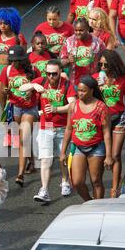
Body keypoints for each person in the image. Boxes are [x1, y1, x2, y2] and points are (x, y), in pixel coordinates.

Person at [60, 76, 113, 201]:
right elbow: (68, 128)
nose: (80, 93)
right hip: (78, 148)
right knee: (77, 182)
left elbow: (106, 132)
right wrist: (63, 152)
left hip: (96, 148)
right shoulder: (73, 106)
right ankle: (90, 203)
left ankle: (98, 207)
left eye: (83, 91)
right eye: (78, 90)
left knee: (96, 181)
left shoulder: (101, 107)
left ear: (92, 90)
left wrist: (109, 156)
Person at [32, 60, 76, 202]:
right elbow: (22, 88)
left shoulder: (66, 84)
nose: (51, 77)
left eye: (54, 74)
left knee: (62, 158)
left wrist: (56, 109)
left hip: (63, 127)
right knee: (45, 159)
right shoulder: (42, 81)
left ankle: (65, 182)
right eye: (48, 73)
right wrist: (33, 85)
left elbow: (73, 105)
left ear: (60, 72)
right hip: (46, 127)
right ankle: (44, 190)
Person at [0, 45, 40, 186]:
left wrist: (33, 91)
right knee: (24, 139)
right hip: (15, 108)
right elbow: (3, 89)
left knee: (23, 139)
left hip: (30, 108)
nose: (14, 63)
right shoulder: (7, 70)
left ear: (23, 59)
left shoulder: (34, 70)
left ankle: (20, 174)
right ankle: (32, 163)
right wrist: (7, 92)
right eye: (12, 60)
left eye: (17, 60)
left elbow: (41, 86)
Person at [93, 50, 125, 197]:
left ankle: (115, 188)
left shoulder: (123, 79)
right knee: (103, 154)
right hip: (102, 119)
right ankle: (98, 185)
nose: (103, 67)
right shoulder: (95, 78)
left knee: (115, 155)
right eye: (101, 64)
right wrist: (97, 87)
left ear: (113, 64)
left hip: (119, 117)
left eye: (106, 64)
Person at [0, 7, 27, 110]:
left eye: (6, 23)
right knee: (3, 106)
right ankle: (5, 125)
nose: (2, 26)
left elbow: (24, 59)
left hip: (14, 72)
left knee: (14, 103)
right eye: (0, 23)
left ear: (12, 23)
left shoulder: (19, 38)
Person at [61, 18, 106, 88]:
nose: (78, 32)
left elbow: (107, 61)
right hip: (74, 82)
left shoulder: (98, 43)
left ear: (87, 28)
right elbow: (61, 63)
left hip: (93, 81)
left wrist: (102, 74)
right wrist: (68, 60)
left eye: (81, 30)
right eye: (76, 30)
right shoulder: (69, 42)